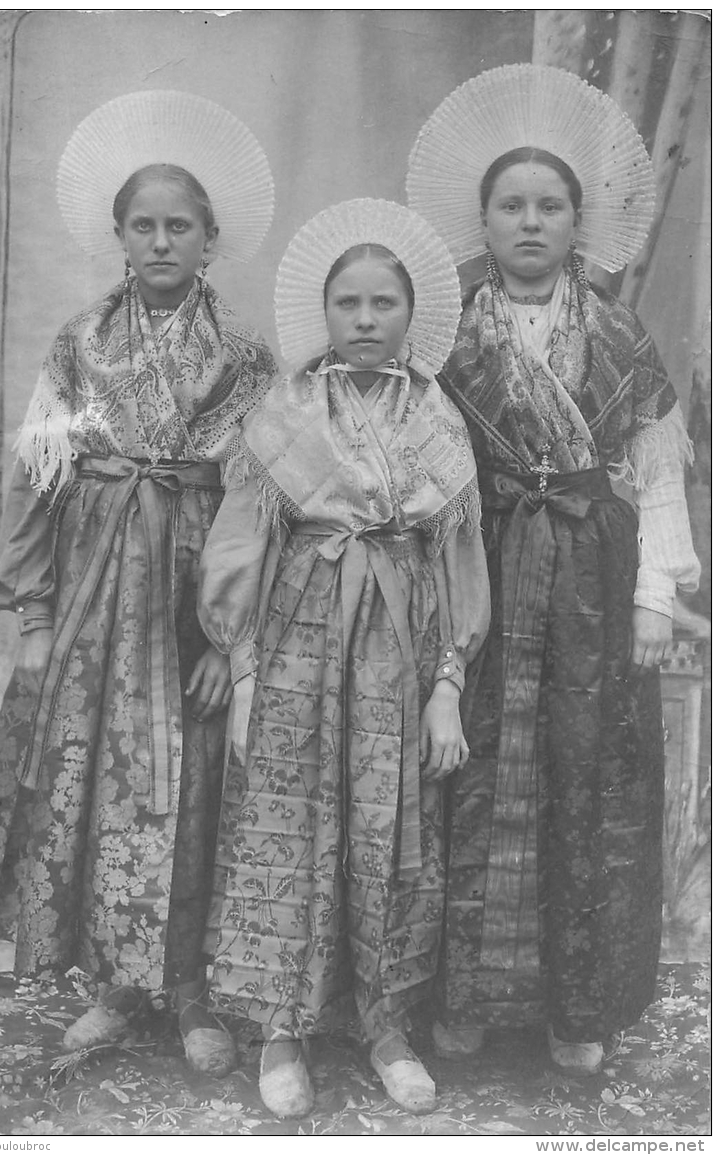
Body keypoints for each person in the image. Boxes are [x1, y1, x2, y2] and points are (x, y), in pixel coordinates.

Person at [407, 63, 701, 1074]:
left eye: (550, 206)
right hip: (479, 568)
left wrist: (656, 592)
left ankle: (576, 1009)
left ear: (581, 223)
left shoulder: (618, 333)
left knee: (588, 778)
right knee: (476, 777)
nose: (530, 222)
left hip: (589, 575)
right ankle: (470, 1000)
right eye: (511, 206)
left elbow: (655, 469)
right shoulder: (444, 337)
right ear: (482, 223)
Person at [0, 90, 278, 1077]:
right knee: (108, 779)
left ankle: (190, 987)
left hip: (196, 587)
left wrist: (233, 641)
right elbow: (34, 477)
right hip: (99, 585)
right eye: (143, 226)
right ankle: (117, 984)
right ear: (118, 237)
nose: (161, 242)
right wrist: (26, 607)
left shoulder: (244, 359)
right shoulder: (79, 343)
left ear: (210, 239)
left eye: (179, 226)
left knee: (193, 781)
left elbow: (265, 499)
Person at [197, 198, 490, 1117]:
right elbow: (238, 542)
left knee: (389, 819)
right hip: (294, 632)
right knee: (282, 813)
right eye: (348, 305)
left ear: (412, 315)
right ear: (323, 315)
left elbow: (460, 558)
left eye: (383, 305)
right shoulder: (284, 408)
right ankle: (280, 1029)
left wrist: (446, 687)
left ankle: (385, 1021)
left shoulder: (439, 418)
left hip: (397, 643)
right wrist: (242, 668)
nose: (365, 322)